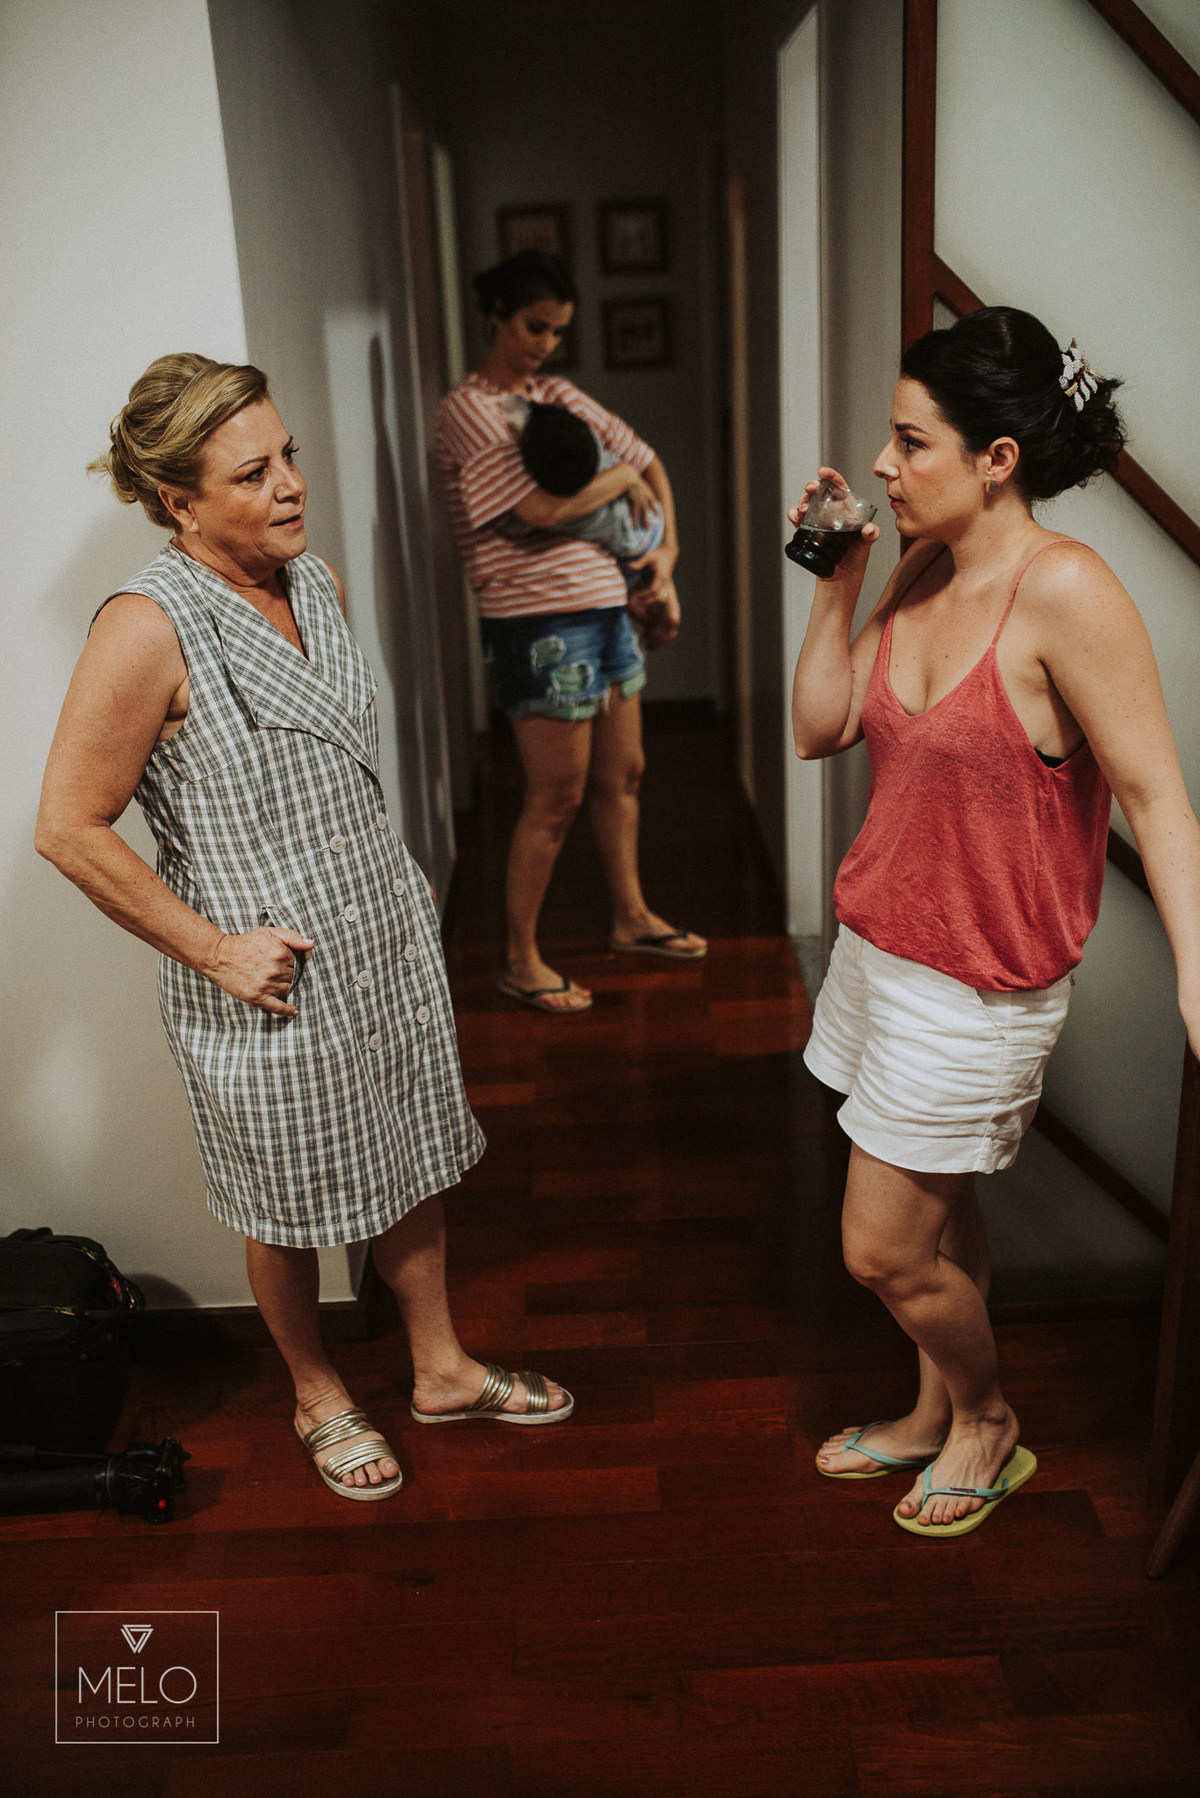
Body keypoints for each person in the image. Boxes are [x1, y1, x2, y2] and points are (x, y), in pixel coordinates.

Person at [36, 354, 572, 1504]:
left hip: (379, 933)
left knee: (411, 1148)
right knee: (281, 1198)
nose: (290, 483)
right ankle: (318, 1391)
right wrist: (215, 949)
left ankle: (440, 1367)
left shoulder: (314, 581)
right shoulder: (147, 627)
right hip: (264, 976)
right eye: (252, 472)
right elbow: (67, 827)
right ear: (180, 500)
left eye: (288, 455)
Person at [790, 308, 1200, 1536]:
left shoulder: (1066, 590)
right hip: (879, 951)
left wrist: (1199, 971)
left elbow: (1157, 796)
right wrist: (838, 583)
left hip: (975, 990)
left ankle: (985, 1418)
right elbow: (819, 727)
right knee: (941, 1215)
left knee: (880, 1250)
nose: (882, 462)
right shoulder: (923, 563)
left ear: (997, 459)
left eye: (911, 442)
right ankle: (930, 1413)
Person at [435, 250, 705, 1016]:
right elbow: (540, 512)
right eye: (534, 326)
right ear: (496, 315)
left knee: (627, 774)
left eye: (557, 331)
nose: (546, 344)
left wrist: (666, 559)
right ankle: (520, 960)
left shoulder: (556, 394)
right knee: (556, 795)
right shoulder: (469, 410)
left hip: (609, 610)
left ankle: (631, 917)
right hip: (539, 625)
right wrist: (617, 478)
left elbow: (649, 459)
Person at [493, 397, 666, 597]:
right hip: (650, 515)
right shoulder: (585, 442)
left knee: (629, 591)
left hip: (634, 542)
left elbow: (514, 525)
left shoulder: (557, 509)